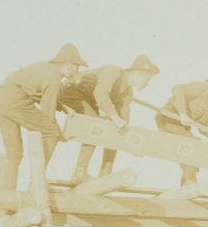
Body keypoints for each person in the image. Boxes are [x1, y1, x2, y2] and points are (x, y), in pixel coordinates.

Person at [0, 43, 87, 176]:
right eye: (77, 67)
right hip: (15, 99)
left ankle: (8, 188)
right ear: (67, 65)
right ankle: (37, 181)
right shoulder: (54, 80)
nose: (77, 71)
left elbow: (37, 92)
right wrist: (60, 135)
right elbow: (48, 117)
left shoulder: (45, 67)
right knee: (51, 131)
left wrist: (62, 107)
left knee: (14, 153)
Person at [63, 54, 161, 184]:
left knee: (115, 129)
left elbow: (124, 122)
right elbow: (100, 94)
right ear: (138, 74)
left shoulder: (127, 92)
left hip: (88, 100)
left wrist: (132, 145)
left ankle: (105, 172)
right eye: (147, 79)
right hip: (72, 92)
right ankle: (79, 172)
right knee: (96, 126)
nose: (147, 83)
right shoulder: (113, 71)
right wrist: (115, 118)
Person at [154, 68, 208, 186]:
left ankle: (186, 185)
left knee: (188, 155)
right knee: (193, 143)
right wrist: (182, 113)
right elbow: (178, 89)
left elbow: (205, 130)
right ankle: (191, 181)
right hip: (168, 119)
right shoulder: (201, 88)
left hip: (181, 127)